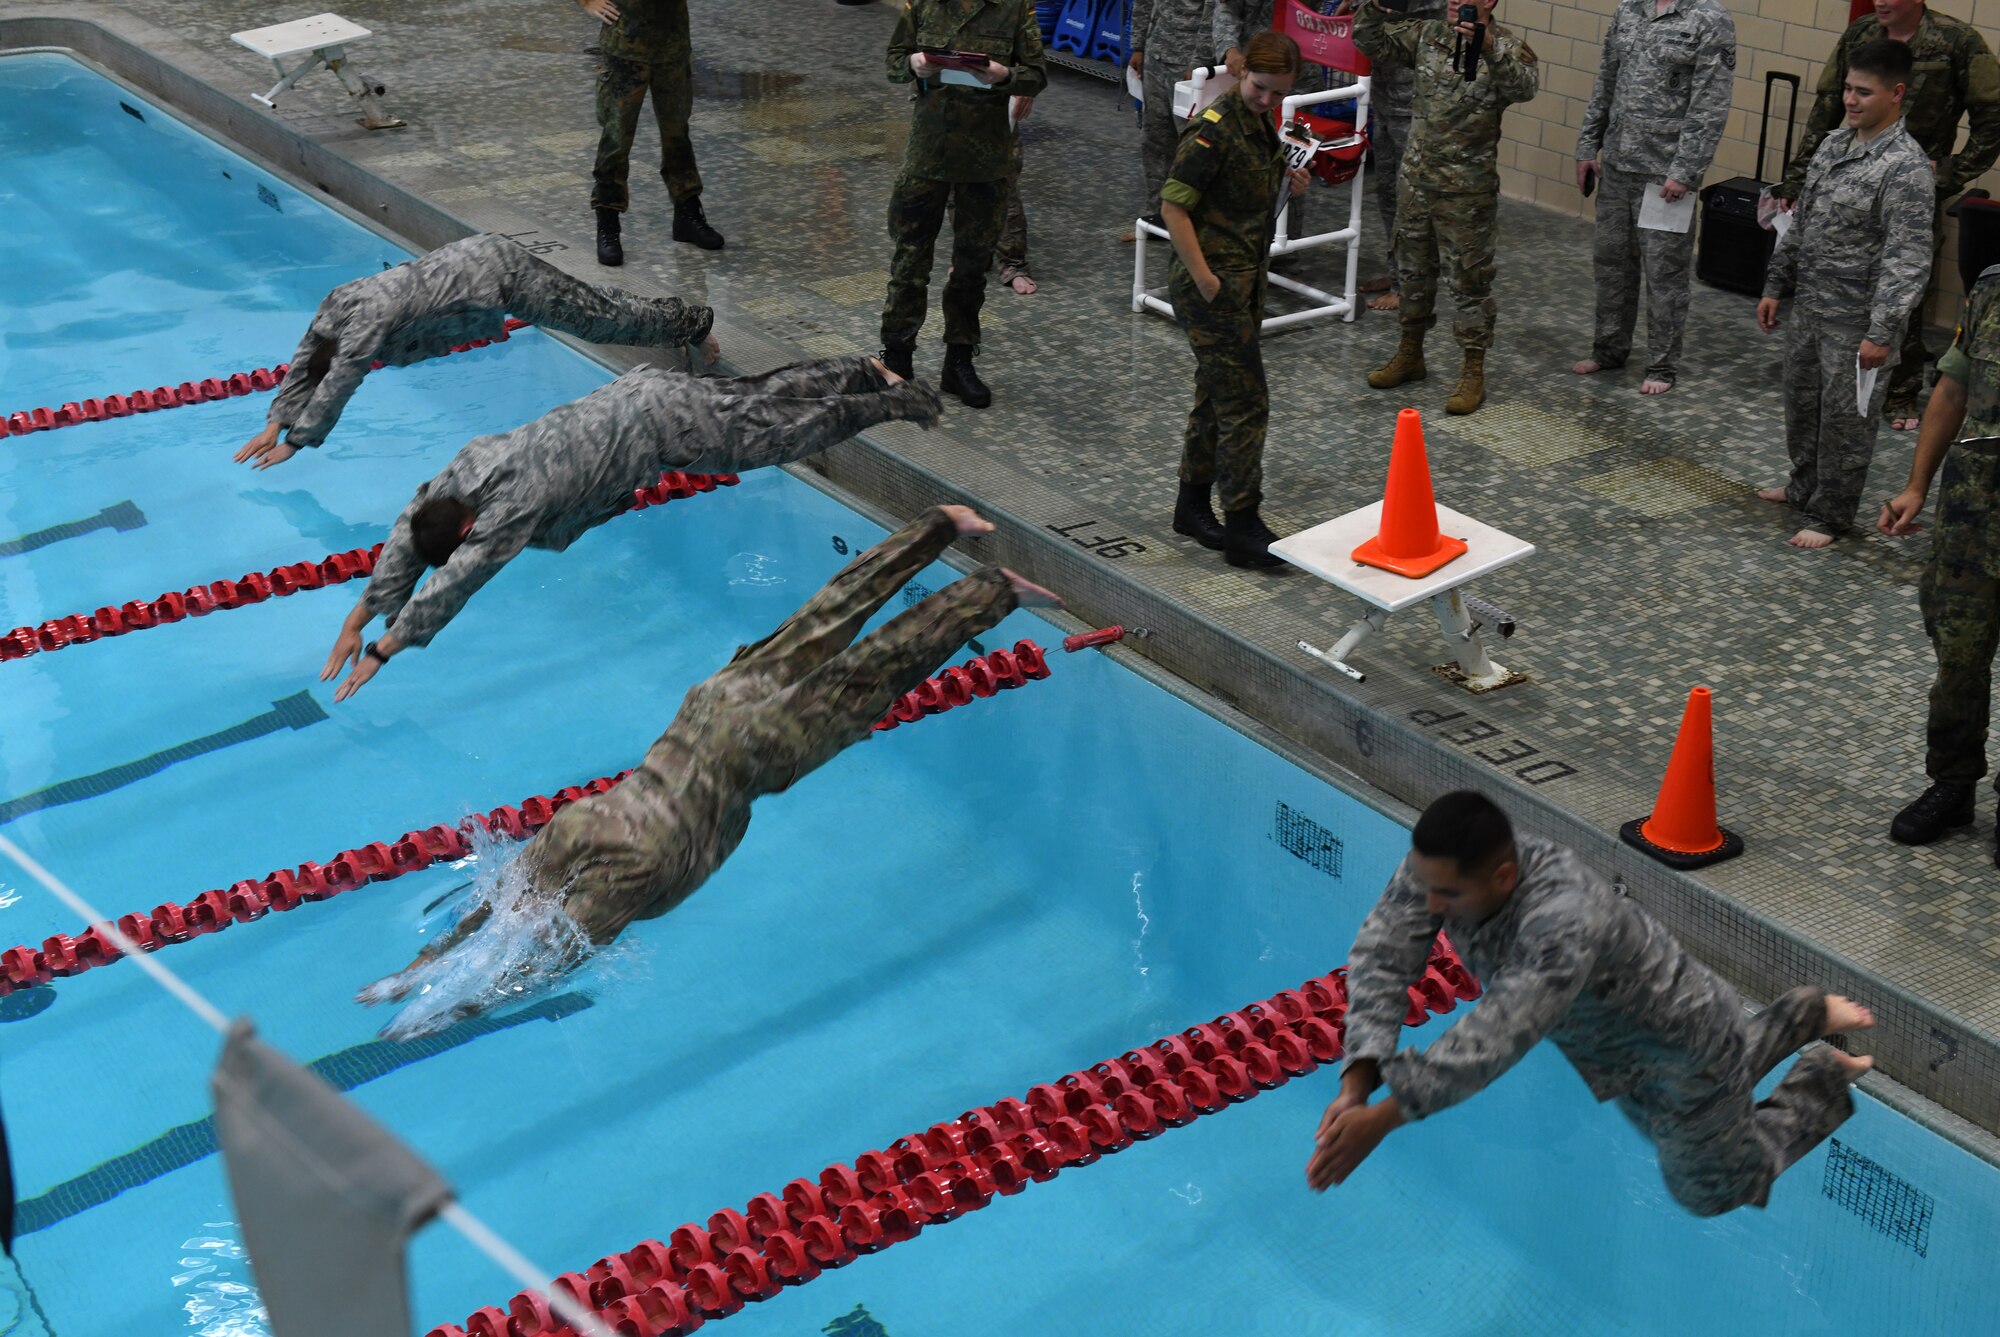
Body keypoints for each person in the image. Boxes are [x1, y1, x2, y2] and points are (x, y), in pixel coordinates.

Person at [358, 505, 1061, 1039]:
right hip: (705, 710)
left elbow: (542, 954)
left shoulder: (633, 879)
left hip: (711, 777)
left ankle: (995, 590)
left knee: (873, 669)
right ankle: (940, 523)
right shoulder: (605, 835)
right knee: (826, 614)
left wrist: (449, 1004)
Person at [1304, 791, 1876, 1216]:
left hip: (1683, 1042)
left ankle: (1824, 1072)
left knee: (1711, 1190)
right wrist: (1358, 1080)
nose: (1429, 903)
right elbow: (1384, 951)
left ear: (1504, 877)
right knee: (1678, 1125)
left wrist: (1382, 1120)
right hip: (1618, 1052)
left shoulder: (1562, 917)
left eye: (1446, 895)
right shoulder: (1445, 866)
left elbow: (1496, 1038)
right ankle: (1802, 1013)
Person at [320, 358, 944, 700]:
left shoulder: (508, 513)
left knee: (782, 434)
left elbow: (454, 584)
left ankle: (896, 400)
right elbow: (412, 525)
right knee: (761, 399)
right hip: (636, 391)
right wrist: (360, 614)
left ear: (467, 531)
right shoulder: (464, 470)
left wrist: (382, 648)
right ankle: (863, 370)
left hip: (666, 428)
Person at [236, 234, 719, 467]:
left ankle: (694, 322)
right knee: (596, 313)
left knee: (599, 320)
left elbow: (340, 380)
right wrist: (275, 422)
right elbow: (308, 361)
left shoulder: (363, 326)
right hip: (473, 262)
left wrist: (295, 444)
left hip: (500, 276)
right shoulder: (334, 308)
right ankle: (681, 321)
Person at [1778, 0, 2000, 431]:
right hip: (1853, 178)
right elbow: (1826, 108)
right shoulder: (1860, 35)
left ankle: (1899, 393)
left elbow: (1994, 113)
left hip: (1911, 180)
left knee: (1904, 283)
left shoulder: (1957, 41)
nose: (1880, 0)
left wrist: (1952, 173)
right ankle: (1834, 382)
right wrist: (1797, 177)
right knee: (1839, 280)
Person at [1756, 39, 1933, 549]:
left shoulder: (1905, 168)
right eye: (1848, 90)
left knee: (1845, 425)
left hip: (1857, 322)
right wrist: (1776, 285)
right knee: (1802, 406)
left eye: (1863, 92)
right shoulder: (1835, 145)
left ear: (1896, 94)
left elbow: (1908, 259)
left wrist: (1882, 332)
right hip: (1812, 307)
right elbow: (1802, 225)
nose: (1851, 101)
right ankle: (1803, 487)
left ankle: (1831, 516)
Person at [1160, 31, 1312, 569]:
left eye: (1277, 93)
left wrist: (1288, 180)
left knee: (1216, 393)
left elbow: (1240, 194)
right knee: (1247, 402)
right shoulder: (1213, 130)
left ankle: (1192, 504)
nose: (1266, 99)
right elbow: (1173, 207)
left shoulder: (1258, 124)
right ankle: (1244, 523)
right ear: (1242, 71)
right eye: (1259, 86)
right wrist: (1205, 280)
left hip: (1242, 278)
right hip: (1213, 284)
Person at [1355, 0, 1539, 416]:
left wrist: (1489, 46)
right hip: (1418, 181)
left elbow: (1524, 88)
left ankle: (1473, 371)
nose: (1455, 1)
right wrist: (1374, 8)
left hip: (1466, 192)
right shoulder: (1427, 34)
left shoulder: (1508, 47)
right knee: (1414, 274)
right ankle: (1410, 354)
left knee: (1469, 283)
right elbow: (1369, 43)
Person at [1880, 263, 2000, 855]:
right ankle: (1951, 785)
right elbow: (1953, 390)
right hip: (1973, 516)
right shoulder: (1993, 289)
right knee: (1958, 658)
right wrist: (1916, 485)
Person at [880, 0, 1048, 410]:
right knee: (909, 262)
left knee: (972, 268)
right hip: (927, 153)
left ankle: (959, 361)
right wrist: (915, 66)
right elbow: (893, 60)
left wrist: (1004, 75)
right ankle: (897, 360)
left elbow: (1037, 74)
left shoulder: (1015, 9)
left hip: (985, 158)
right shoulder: (922, 4)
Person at [1572, 0, 1737, 395]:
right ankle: (1609, 348)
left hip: (1664, 175)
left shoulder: (1709, 19)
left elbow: (1709, 104)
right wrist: (1586, 145)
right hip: (1617, 164)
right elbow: (1605, 83)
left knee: (1664, 275)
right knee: (1611, 264)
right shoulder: (1628, 10)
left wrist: (1685, 170)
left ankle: (1662, 366)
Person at [579, 0, 724, 266]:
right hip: (625, 46)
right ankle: (608, 222)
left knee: (677, 132)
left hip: (673, 44)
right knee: (616, 137)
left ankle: (688, 213)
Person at [1358, 0, 1450, 313]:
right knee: (1387, 193)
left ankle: (1410, 286)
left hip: (1416, 103)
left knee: (1411, 202)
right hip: (1386, 97)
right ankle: (1397, 271)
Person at [1128, 0, 1217, 240]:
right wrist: (1138, 45)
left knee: (1195, 148)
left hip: (1189, 65)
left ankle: (1196, 224)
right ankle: (1157, 217)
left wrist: (1200, 60)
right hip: (1156, 54)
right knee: (1154, 139)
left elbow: (1213, 12)